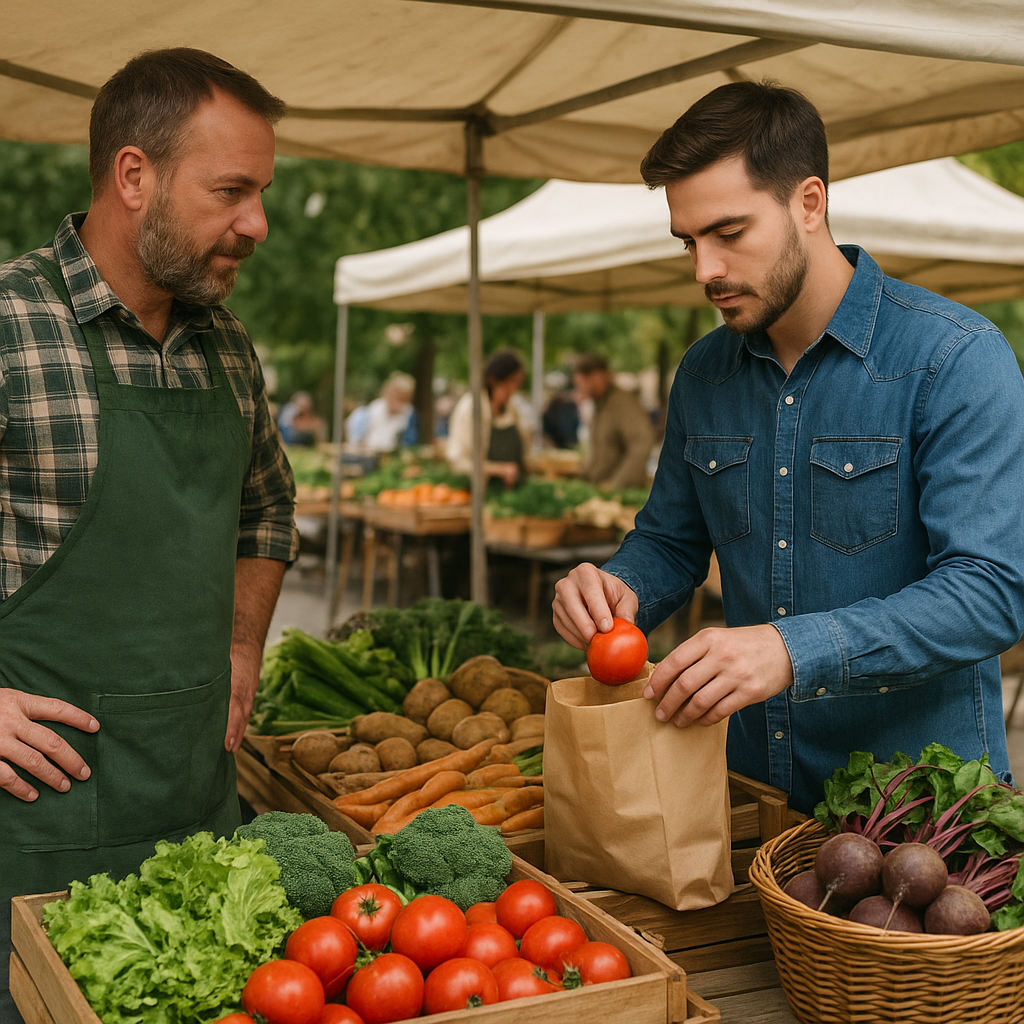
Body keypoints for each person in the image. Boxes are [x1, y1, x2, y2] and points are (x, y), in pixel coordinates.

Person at [552, 80, 1024, 817]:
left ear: (810, 203)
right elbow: (672, 543)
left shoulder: (955, 357)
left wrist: (792, 650)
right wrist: (620, 588)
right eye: (689, 241)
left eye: (729, 233)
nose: (704, 269)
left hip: (922, 820)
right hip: (750, 795)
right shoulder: (704, 373)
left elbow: (993, 591)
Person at [0, 48, 297, 1015]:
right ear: (134, 176)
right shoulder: (11, 324)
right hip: (31, 836)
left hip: (199, 818)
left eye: (260, 193)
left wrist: (244, 644)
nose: (256, 223)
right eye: (230, 192)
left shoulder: (229, 345)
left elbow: (267, 510)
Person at [446, 349, 531, 488]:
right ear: (494, 380)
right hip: (478, 493)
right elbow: (458, 461)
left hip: (510, 491)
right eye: (511, 382)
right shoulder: (471, 408)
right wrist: (499, 470)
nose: (514, 388)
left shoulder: (511, 410)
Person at [572, 352, 655, 489]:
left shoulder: (623, 404)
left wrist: (615, 485)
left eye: (581, 383)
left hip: (619, 494)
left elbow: (641, 445)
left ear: (598, 377)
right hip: (599, 489)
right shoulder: (601, 404)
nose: (580, 389)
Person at [346, 371, 419, 452]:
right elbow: (357, 437)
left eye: (402, 399)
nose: (397, 403)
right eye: (395, 397)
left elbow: (409, 443)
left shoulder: (409, 415)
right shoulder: (373, 409)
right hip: (368, 452)